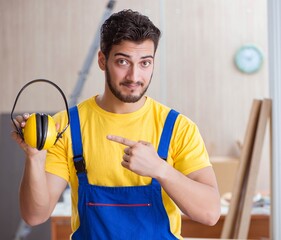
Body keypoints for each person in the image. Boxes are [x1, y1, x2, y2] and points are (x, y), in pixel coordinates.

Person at [12, 9, 220, 240]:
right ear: (103, 60)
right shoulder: (67, 126)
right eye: (123, 61)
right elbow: (34, 216)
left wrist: (161, 170)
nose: (134, 76)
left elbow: (210, 213)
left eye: (145, 63)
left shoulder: (179, 128)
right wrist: (35, 158)